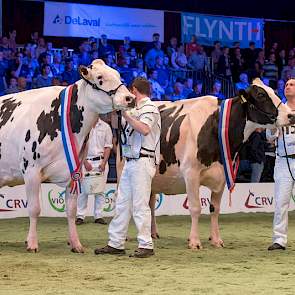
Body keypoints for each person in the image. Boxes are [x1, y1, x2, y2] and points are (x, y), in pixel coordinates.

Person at [94, 77, 161, 258]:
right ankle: (116, 243)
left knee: (140, 205)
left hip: (143, 160)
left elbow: (145, 129)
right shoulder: (135, 109)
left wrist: (126, 115)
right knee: (122, 204)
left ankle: (146, 244)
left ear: (134, 90)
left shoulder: (150, 108)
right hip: (131, 161)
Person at [268, 78, 295, 251]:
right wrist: (272, 127)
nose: (288, 86)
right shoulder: (278, 112)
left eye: (292, 84)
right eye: (286, 84)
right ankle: (279, 239)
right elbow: (269, 138)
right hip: (283, 160)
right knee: (280, 202)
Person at [76, 117, 113, 225]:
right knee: (83, 190)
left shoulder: (106, 127)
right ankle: (80, 216)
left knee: (100, 190)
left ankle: (98, 216)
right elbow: (79, 146)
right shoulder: (84, 125)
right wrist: (84, 162)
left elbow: (108, 146)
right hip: (85, 161)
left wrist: (104, 163)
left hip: (100, 161)